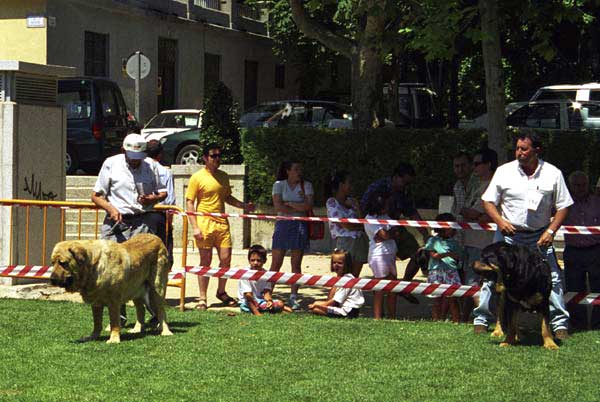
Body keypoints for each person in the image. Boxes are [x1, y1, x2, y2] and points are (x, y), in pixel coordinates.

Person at [476, 132, 573, 340]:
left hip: (539, 237)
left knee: (552, 278)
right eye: (517, 149)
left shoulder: (553, 173)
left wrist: (550, 231)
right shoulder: (504, 172)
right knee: (492, 277)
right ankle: (482, 320)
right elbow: (488, 202)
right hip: (509, 237)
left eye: (524, 149)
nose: (519, 153)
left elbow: (564, 206)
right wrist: (500, 222)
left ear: (536, 150)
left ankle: (559, 325)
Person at [92, 133, 167, 324]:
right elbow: (96, 195)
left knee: (142, 272)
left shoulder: (151, 166)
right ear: (123, 151)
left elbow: (163, 192)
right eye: (132, 159)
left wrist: (153, 198)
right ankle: (119, 317)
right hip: (116, 224)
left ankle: (154, 316)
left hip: (142, 223)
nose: (136, 162)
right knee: (112, 271)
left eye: (139, 159)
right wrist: (111, 208)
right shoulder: (110, 164)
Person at [185, 143, 254, 310]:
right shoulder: (197, 177)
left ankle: (221, 292)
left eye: (219, 155)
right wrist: (194, 227)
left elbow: (227, 197)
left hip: (222, 223)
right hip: (204, 223)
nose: (217, 159)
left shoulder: (224, 176)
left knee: (226, 259)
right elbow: (189, 202)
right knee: (205, 261)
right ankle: (202, 298)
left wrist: (244, 205)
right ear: (205, 158)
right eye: (213, 156)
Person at [361, 163, 427, 304]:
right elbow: (365, 208)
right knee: (381, 279)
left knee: (419, 254)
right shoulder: (378, 187)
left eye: (408, 183)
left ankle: (403, 287)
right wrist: (371, 229)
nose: (405, 186)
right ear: (396, 177)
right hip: (378, 229)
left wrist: (424, 231)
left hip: (395, 227)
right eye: (404, 182)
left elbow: (412, 212)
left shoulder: (405, 192)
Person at [459, 148, 497, 323]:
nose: (473, 168)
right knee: (469, 283)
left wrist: (472, 213)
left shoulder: (492, 186)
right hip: (470, 240)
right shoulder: (477, 185)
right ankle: (465, 319)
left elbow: (476, 213)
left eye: (477, 164)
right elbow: (470, 213)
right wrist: (472, 214)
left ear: (488, 164)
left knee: (475, 283)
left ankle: (486, 319)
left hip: (483, 243)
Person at [270, 160, 313, 310]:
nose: (299, 172)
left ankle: (293, 296)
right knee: (276, 262)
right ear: (288, 171)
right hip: (282, 225)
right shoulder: (278, 185)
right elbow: (278, 206)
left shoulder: (306, 185)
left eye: (300, 169)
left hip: (299, 225)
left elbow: (308, 206)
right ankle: (268, 293)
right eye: (296, 169)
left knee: (296, 263)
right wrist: (297, 206)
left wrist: (290, 204)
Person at [563, 171, 600, 330]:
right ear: (570, 186)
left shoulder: (597, 202)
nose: (580, 188)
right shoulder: (563, 205)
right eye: (577, 185)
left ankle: (598, 323)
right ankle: (578, 323)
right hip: (573, 251)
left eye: (583, 184)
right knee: (574, 288)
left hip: (595, 250)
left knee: (598, 288)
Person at [325, 170, 368, 277]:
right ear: (341, 185)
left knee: (354, 276)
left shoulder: (352, 201)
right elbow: (345, 225)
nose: (351, 186)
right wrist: (360, 227)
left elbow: (362, 220)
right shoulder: (332, 202)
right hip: (345, 242)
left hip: (359, 241)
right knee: (342, 277)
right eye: (349, 182)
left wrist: (357, 206)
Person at [363, 191, 398, 319]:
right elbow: (385, 235)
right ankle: (377, 317)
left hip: (390, 254)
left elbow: (394, 232)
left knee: (393, 287)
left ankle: (392, 316)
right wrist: (389, 234)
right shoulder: (369, 219)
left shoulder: (386, 216)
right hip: (379, 256)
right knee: (380, 287)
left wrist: (389, 234)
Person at [424, 213, 462, 322]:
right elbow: (433, 255)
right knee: (437, 299)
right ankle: (436, 320)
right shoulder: (433, 241)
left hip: (451, 271)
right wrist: (448, 254)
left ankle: (456, 320)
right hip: (436, 271)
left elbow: (459, 255)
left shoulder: (454, 243)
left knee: (452, 298)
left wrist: (448, 255)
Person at [145, 139, 176, 268]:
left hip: (142, 216)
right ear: (160, 155)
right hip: (160, 216)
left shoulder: (139, 169)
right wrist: (169, 223)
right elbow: (170, 201)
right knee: (163, 253)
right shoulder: (165, 172)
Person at [308, 249, 364, 318]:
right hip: (342, 308)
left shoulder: (346, 280)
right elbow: (330, 298)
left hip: (347, 311)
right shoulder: (340, 279)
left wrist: (319, 306)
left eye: (340, 263)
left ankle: (341, 317)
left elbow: (334, 302)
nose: (336, 265)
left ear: (347, 264)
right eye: (334, 263)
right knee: (316, 303)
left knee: (316, 308)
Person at [238, 245, 292, 315]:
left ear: (265, 261)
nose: (255, 263)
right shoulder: (245, 274)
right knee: (279, 306)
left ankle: (273, 308)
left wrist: (269, 301)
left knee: (279, 304)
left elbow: (266, 292)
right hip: (247, 302)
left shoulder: (266, 275)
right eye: (252, 260)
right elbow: (248, 295)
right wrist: (257, 314)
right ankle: (261, 310)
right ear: (249, 261)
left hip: (260, 301)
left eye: (259, 260)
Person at [451, 152, 479, 247]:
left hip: (477, 236)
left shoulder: (479, 183)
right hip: (459, 237)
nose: (460, 169)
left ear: (471, 166)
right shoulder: (457, 186)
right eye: (457, 166)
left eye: (463, 165)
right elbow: (455, 212)